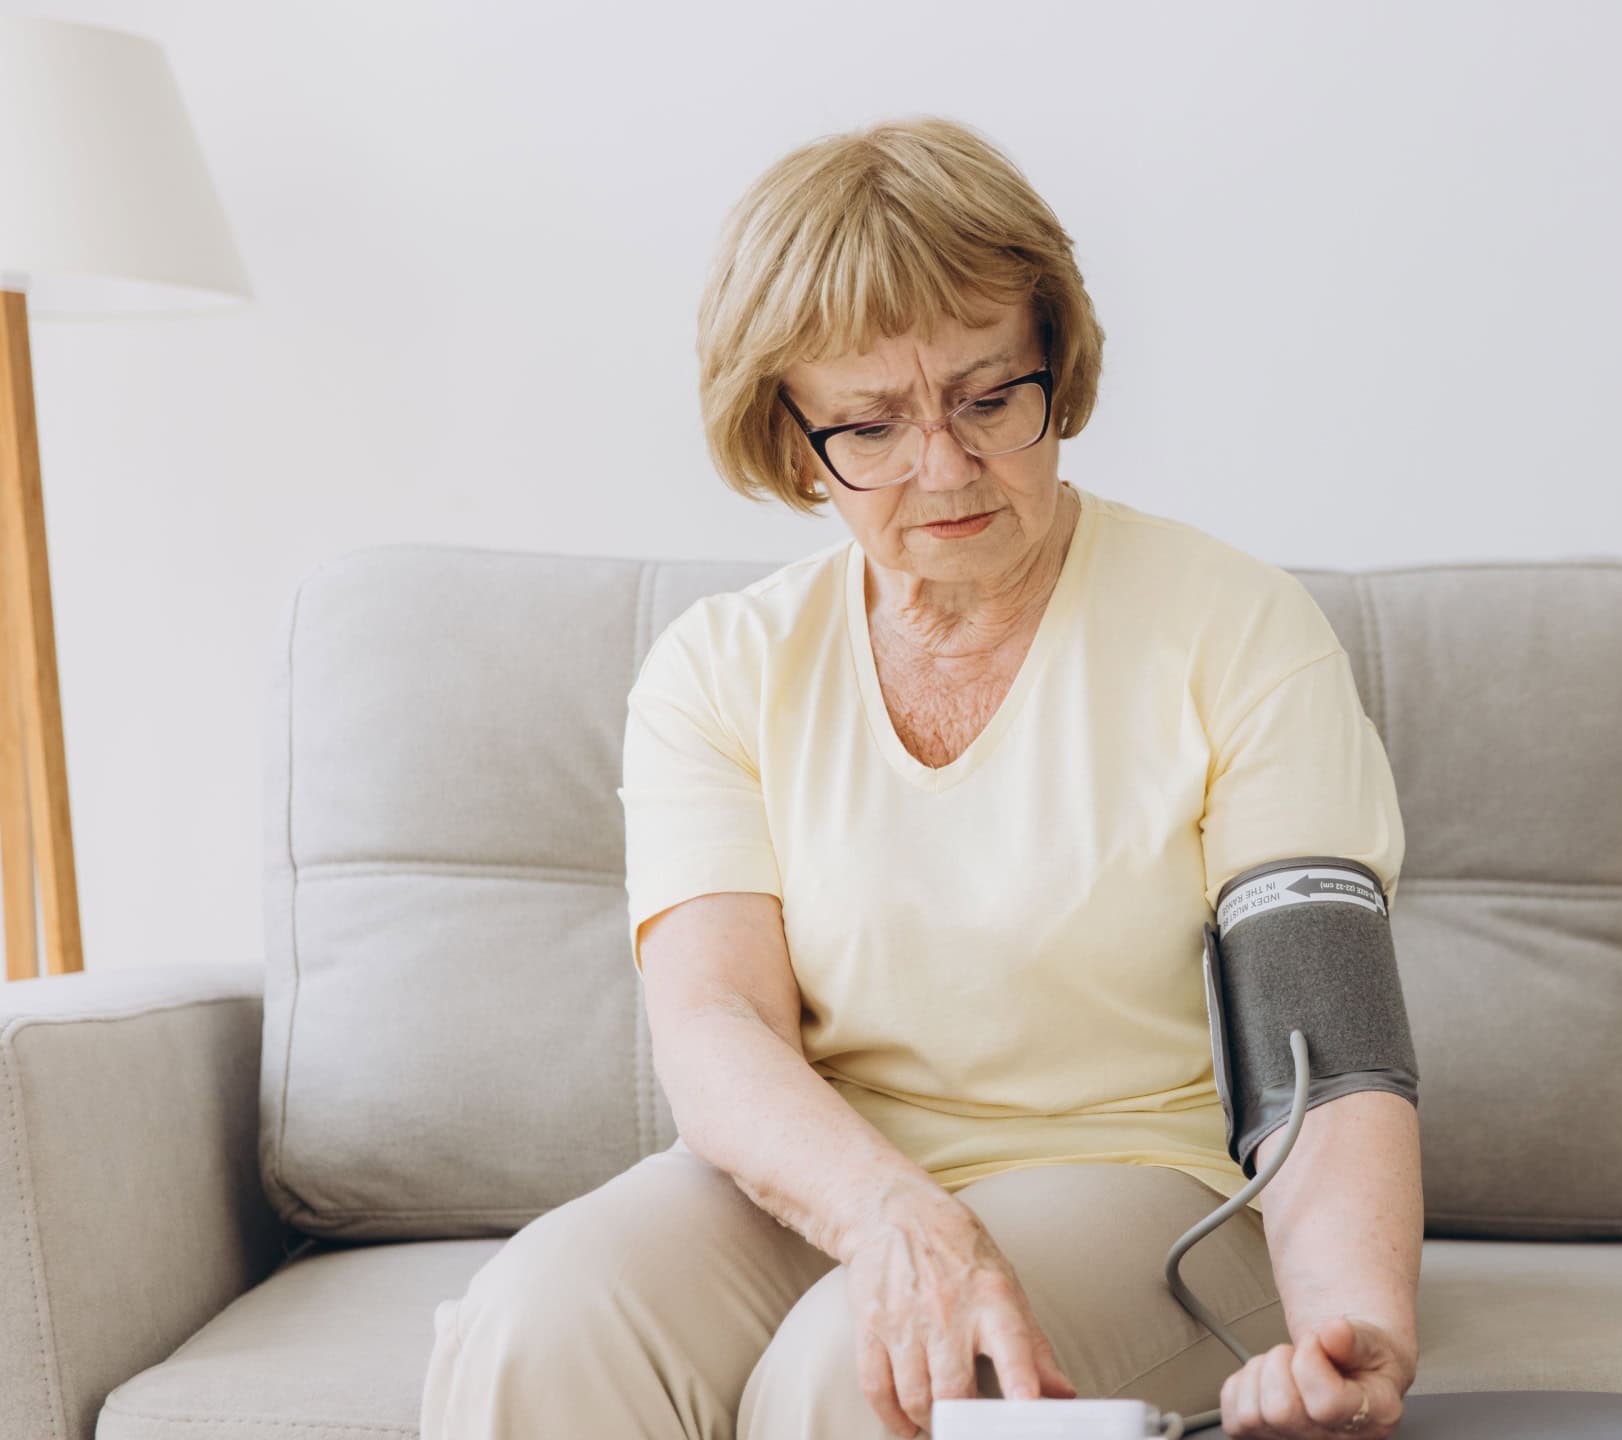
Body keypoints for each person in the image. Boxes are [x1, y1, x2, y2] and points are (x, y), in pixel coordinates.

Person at [418, 115, 1422, 1440]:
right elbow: (716, 1028)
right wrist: (895, 1213)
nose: (942, 467)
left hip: (1150, 1191)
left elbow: (1327, 1054)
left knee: (875, 1368)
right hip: (833, 1176)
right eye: (871, 425)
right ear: (788, 438)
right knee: (535, 1322)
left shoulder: (1232, 629)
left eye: (986, 397)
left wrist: (1361, 1341)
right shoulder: (721, 670)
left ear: (1056, 369)